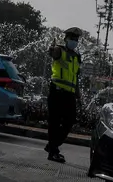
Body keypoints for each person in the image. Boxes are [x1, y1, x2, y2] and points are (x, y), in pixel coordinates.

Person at [45, 27, 82, 163]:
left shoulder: (77, 57)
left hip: (70, 94)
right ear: (66, 39)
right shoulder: (60, 50)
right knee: (54, 122)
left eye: (76, 40)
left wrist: (78, 93)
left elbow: (76, 76)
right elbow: (53, 53)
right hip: (57, 91)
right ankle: (53, 151)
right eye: (72, 39)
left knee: (70, 120)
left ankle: (52, 145)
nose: (74, 42)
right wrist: (51, 49)